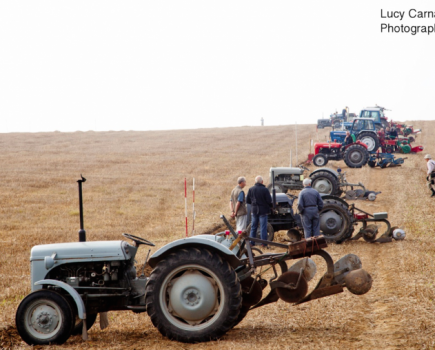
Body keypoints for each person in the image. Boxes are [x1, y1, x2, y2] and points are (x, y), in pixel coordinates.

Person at [246, 176, 273, 247]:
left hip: (254, 211)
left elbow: (248, 201)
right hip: (263, 211)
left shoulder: (251, 189)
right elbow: (269, 201)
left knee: (253, 226)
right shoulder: (265, 190)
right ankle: (263, 244)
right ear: (262, 182)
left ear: (255, 182)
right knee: (263, 227)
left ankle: (252, 243)